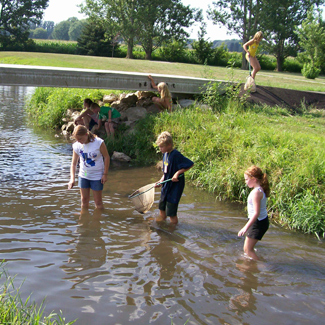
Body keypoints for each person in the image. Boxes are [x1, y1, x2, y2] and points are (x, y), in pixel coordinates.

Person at [155, 131, 194, 225]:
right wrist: (161, 181)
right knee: (162, 207)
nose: (160, 149)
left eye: (162, 146)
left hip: (175, 187)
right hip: (166, 185)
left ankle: (173, 229)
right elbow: (166, 172)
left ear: (169, 145)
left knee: (171, 212)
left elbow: (190, 164)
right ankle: (162, 224)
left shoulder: (176, 155)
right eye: (159, 147)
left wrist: (177, 173)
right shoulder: (165, 154)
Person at [68, 125, 110, 209]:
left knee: (98, 202)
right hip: (83, 176)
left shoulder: (98, 142)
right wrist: (72, 179)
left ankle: (98, 220)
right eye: (77, 139)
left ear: (86, 134)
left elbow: (106, 157)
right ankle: (83, 219)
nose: (79, 141)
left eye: (80, 139)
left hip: (97, 176)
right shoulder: (76, 145)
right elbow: (73, 163)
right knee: (84, 200)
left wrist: (105, 174)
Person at [238, 165, 270, 260]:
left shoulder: (256, 192)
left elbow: (256, 213)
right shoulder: (258, 190)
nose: (245, 182)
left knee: (247, 250)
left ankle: (262, 266)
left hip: (258, 223)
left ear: (254, 179)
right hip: (259, 221)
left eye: (246, 179)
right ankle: (252, 263)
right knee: (248, 249)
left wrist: (245, 227)